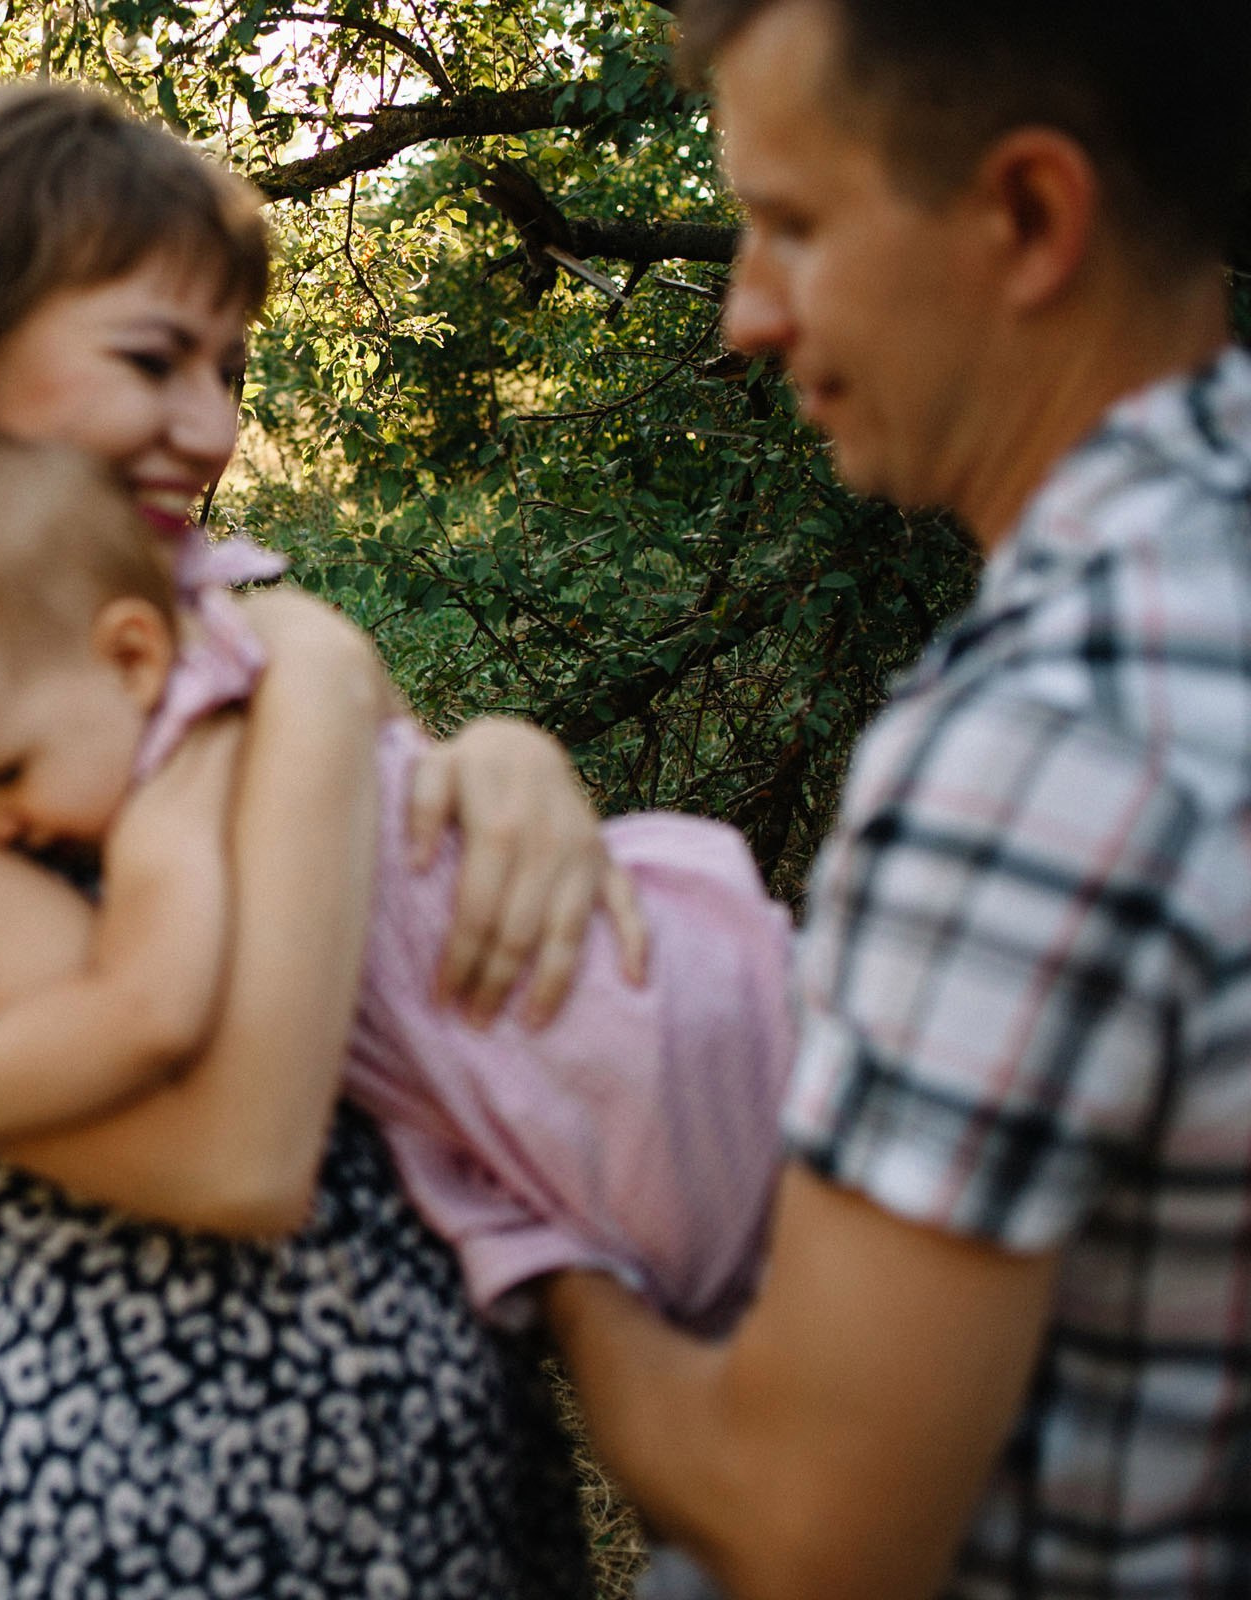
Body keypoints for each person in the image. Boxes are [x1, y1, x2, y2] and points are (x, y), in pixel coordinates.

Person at [0, 81, 644, 1598]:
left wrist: (504, 763)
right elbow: (243, 1148)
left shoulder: (187, 644)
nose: (211, 426)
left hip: (456, 1517)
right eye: (153, 360)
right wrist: (329, 673)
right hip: (129, 1536)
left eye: (230, 366)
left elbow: (399, 898)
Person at [536, 2, 1251, 1597]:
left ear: (1030, 217)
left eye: (791, 226)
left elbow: (809, 1530)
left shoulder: (1044, 747)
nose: (745, 315)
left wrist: (557, 1254)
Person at [0, 431, 797, 1335]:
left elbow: (146, 1009)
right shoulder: (250, 652)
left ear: (131, 657)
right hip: (659, 981)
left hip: (614, 1053)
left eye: (3, 774)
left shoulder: (180, 789)